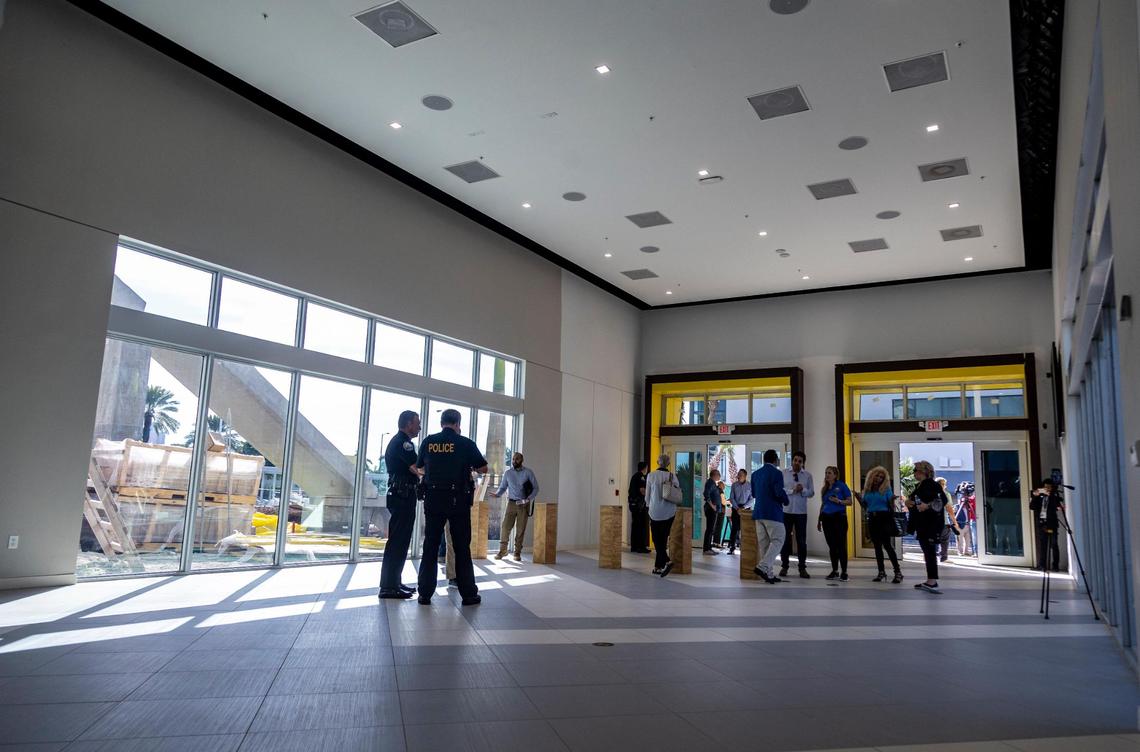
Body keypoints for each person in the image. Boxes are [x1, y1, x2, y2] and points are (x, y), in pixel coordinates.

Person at [415, 409, 488, 606]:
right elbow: (483, 468)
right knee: (461, 547)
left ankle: (424, 594)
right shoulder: (465, 443)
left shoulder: (429, 441)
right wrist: (467, 466)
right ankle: (468, 594)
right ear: (457, 423)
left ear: (441, 423)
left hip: (433, 499)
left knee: (430, 545)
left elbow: (420, 467)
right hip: (458, 501)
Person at [377, 410, 422, 599]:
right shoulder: (404, 443)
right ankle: (388, 586)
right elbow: (417, 468)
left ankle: (394, 582)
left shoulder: (400, 441)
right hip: (402, 494)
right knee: (398, 541)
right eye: (416, 423)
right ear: (408, 424)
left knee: (401, 541)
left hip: (400, 493)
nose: (419, 427)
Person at [905, 460, 948, 594]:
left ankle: (932, 581)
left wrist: (927, 505)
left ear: (924, 471)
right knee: (927, 551)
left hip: (930, 524)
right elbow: (917, 500)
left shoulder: (931, 485)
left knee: (929, 552)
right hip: (923, 523)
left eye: (915, 470)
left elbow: (942, 501)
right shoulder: (920, 485)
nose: (913, 473)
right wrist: (909, 502)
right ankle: (930, 580)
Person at [854, 466, 903, 584]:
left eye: (882, 477)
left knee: (887, 545)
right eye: (877, 475)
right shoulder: (867, 489)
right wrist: (858, 498)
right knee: (877, 546)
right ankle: (881, 572)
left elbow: (890, 507)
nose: (879, 478)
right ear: (872, 476)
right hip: (872, 518)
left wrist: (892, 500)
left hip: (884, 518)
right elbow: (865, 507)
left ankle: (898, 572)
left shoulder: (886, 489)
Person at [490, 452, 539, 561]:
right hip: (511, 503)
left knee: (520, 529)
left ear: (522, 460)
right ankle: (503, 551)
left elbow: (536, 488)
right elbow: (503, 487)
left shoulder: (528, 472)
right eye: (513, 459)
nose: (514, 461)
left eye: (517, 459)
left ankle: (517, 553)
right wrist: (497, 494)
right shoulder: (508, 473)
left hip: (523, 504)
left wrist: (528, 499)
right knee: (505, 527)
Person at [751, 449, 789, 583]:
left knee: (765, 544)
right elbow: (779, 492)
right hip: (773, 513)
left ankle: (769, 574)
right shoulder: (777, 473)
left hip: (758, 513)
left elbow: (754, 494)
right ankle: (762, 567)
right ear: (775, 460)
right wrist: (786, 499)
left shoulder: (755, 474)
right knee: (778, 539)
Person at [780, 451, 815, 578]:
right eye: (795, 460)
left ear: (803, 463)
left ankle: (802, 568)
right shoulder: (783, 473)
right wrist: (792, 490)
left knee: (801, 541)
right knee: (785, 540)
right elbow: (780, 490)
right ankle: (784, 566)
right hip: (786, 511)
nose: (797, 463)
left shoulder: (807, 476)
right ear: (792, 460)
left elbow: (811, 493)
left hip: (801, 512)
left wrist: (803, 490)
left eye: (800, 461)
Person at [647, 453, 681, 576]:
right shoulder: (672, 476)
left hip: (655, 511)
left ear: (658, 462)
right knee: (663, 538)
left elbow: (647, 495)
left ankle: (667, 561)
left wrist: (647, 507)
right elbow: (677, 491)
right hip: (669, 512)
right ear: (668, 464)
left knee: (657, 540)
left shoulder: (651, 476)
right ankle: (658, 567)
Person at [817, 466, 851, 581]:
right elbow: (823, 505)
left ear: (835, 475)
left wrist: (839, 501)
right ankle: (835, 570)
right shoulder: (825, 489)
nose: (827, 475)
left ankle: (844, 572)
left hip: (839, 519)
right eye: (826, 473)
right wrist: (819, 520)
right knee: (832, 546)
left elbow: (850, 501)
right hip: (827, 519)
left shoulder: (841, 486)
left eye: (830, 473)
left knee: (841, 545)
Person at [1030, 478, 1064, 571]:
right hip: (1042, 523)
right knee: (1043, 545)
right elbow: (1032, 507)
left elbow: (1058, 506)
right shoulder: (1040, 496)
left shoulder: (1054, 496)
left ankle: (1055, 566)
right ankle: (1042, 565)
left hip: (1052, 523)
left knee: (1054, 544)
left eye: (1049, 487)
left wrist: (1051, 496)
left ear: (1052, 488)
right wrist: (1036, 496)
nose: (1047, 489)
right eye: (1045, 487)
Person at [935, 477, 964, 562]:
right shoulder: (946, 494)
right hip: (943, 521)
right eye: (943, 484)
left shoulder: (930, 494)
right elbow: (949, 509)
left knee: (933, 540)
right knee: (944, 539)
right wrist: (955, 522)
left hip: (931, 522)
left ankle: (930, 557)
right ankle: (943, 557)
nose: (945, 486)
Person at [628, 462, 651, 553]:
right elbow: (642, 490)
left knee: (635, 525)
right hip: (639, 505)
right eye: (647, 467)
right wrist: (651, 493)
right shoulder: (641, 477)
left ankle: (634, 546)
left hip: (634, 504)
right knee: (641, 525)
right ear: (645, 468)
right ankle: (641, 547)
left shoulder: (634, 476)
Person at [728, 468, 752, 555]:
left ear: (745, 476)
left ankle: (745, 548)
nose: (738, 476)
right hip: (736, 509)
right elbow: (731, 498)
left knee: (745, 529)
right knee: (734, 528)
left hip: (746, 509)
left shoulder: (749, 485)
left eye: (740, 475)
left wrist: (744, 508)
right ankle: (732, 548)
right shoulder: (734, 485)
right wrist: (737, 508)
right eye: (738, 474)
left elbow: (752, 499)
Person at [701, 469, 723, 555]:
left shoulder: (713, 483)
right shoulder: (710, 482)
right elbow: (706, 494)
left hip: (713, 509)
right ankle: (706, 549)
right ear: (714, 475)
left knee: (711, 529)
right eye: (718, 474)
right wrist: (712, 505)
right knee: (710, 529)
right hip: (711, 509)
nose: (719, 476)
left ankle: (709, 548)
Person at [954, 484, 972, 557]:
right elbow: (952, 516)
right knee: (959, 540)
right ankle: (960, 552)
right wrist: (955, 525)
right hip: (960, 525)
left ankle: (966, 551)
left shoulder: (969, 507)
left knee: (968, 540)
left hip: (968, 525)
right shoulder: (957, 507)